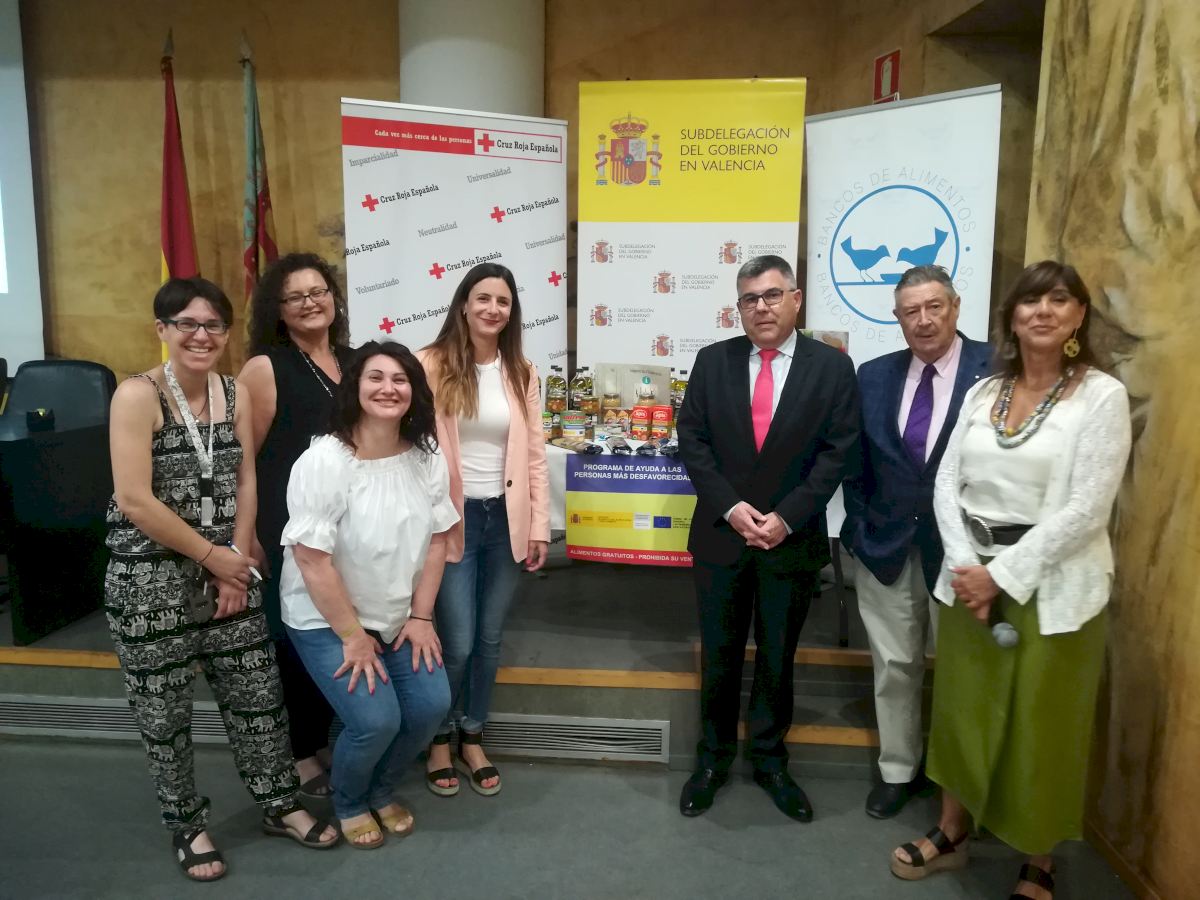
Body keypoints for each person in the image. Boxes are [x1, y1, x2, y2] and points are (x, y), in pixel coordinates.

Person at [889, 261, 1131, 900]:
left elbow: (1087, 509)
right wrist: (967, 567)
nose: (1043, 311)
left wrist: (1001, 576)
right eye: (1031, 301)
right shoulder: (984, 391)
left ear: (1079, 316)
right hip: (969, 580)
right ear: (1011, 316)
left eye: (1060, 300)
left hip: (1054, 591)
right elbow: (947, 483)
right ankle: (952, 833)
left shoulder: (1101, 396)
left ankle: (1038, 858)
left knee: (1041, 726)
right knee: (961, 713)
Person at [105, 277, 338, 883]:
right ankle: (186, 824)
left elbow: (245, 477)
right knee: (165, 717)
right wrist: (214, 556)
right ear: (162, 330)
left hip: (230, 572)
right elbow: (134, 500)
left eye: (213, 325)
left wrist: (237, 556)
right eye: (187, 323)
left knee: (259, 700)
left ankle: (279, 804)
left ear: (227, 333)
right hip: (150, 582)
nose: (201, 335)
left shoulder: (234, 393)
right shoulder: (137, 395)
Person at [676, 255, 860, 822]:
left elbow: (838, 452)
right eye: (750, 298)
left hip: (791, 540)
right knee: (721, 654)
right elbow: (692, 440)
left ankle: (770, 761)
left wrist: (787, 516)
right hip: (722, 536)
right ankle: (712, 761)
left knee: (778, 656)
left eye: (773, 295)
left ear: (796, 299)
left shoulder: (832, 369)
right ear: (739, 307)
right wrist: (732, 509)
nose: (761, 307)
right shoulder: (713, 361)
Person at [280, 341, 457, 848]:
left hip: (397, 613)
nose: (388, 388)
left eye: (400, 379)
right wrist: (353, 637)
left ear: (414, 390)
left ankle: (380, 789)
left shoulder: (425, 456)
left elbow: (438, 538)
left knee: (430, 707)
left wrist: (421, 617)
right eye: (375, 377)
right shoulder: (325, 460)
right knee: (375, 722)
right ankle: (351, 801)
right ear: (354, 387)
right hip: (327, 619)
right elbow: (311, 560)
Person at [840, 265, 992, 819]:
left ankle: (959, 780)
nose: (923, 320)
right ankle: (898, 769)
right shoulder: (873, 375)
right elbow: (855, 463)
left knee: (965, 675)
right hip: (885, 548)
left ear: (955, 307)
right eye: (911, 311)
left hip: (964, 555)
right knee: (894, 665)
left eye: (934, 307)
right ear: (897, 317)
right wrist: (858, 528)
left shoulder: (996, 370)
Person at [416, 263, 550, 798]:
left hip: (504, 520)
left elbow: (534, 454)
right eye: (484, 298)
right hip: (452, 521)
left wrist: (539, 525)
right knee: (458, 642)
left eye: (504, 301)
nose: (493, 309)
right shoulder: (429, 364)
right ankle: (438, 738)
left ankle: (473, 735)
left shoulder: (521, 371)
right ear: (463, 305)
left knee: (490, 640)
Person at [238, 252, 353, 799]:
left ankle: (318, 738)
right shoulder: (266, 368)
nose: (310, 303)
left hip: (345, 530)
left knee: (333, 635)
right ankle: (300, 753)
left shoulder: (354, 361)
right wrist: (246, 535)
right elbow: (244, 460)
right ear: (278, 310)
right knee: (294, 642)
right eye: (295, 296)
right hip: (286, 530)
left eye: (318, 291)